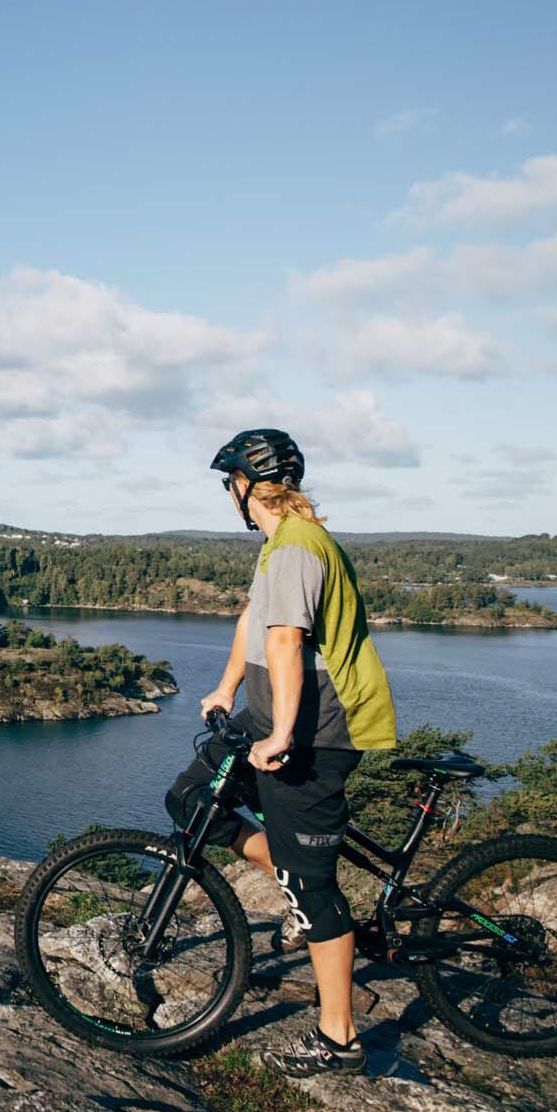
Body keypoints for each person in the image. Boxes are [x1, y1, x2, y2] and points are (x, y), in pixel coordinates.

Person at [165, 428, 398, 1077]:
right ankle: (302, 893)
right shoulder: (278, 547)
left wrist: (280, 735)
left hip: (319, 732)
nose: (227, 496)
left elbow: (289, 644)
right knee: (190, 798)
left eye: (229, 484)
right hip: (274, 715)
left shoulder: (297, 550)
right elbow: (252, 622)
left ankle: (340, 1037)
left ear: (246, 486)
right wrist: (225, 687)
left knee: (312, 888)